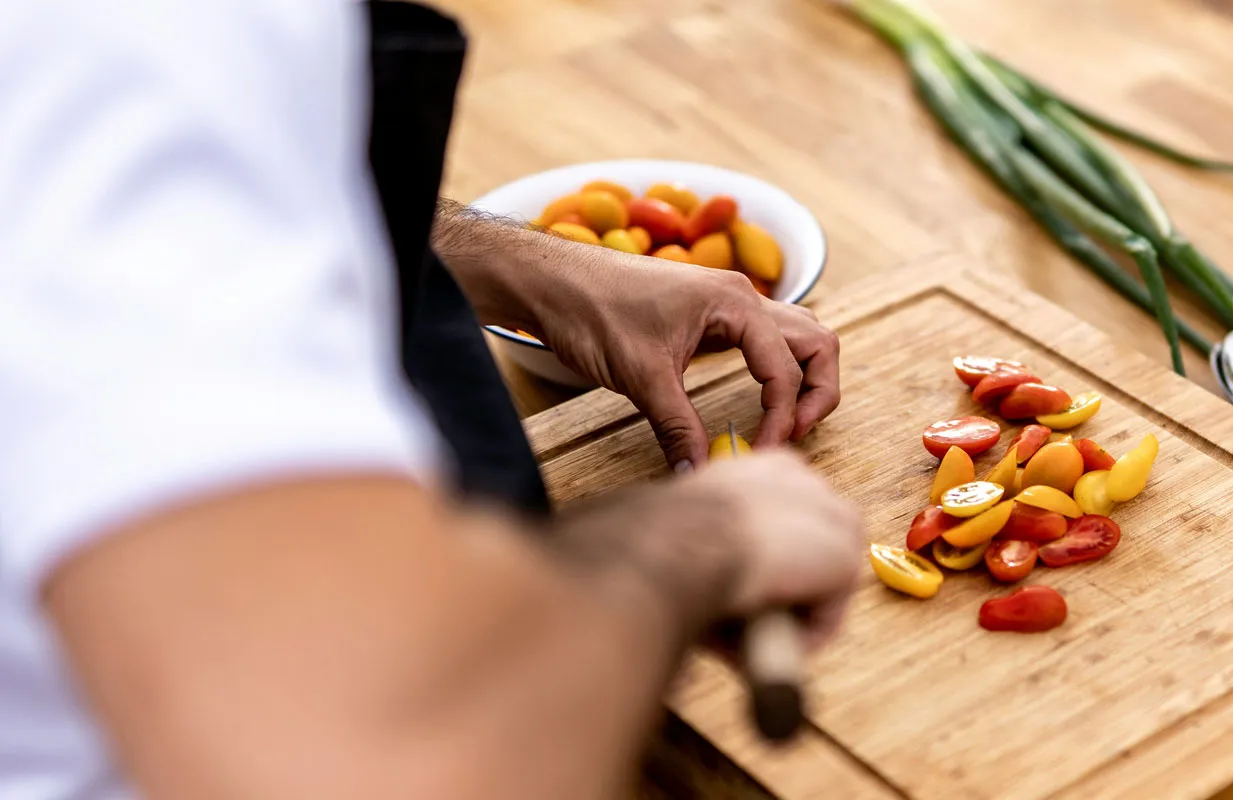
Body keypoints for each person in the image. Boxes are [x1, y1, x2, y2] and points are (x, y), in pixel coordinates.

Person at [0, 1, 864, 797]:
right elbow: (379, 761)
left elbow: (198, 210)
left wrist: (529, 266)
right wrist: (698, 539)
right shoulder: (138, 35)